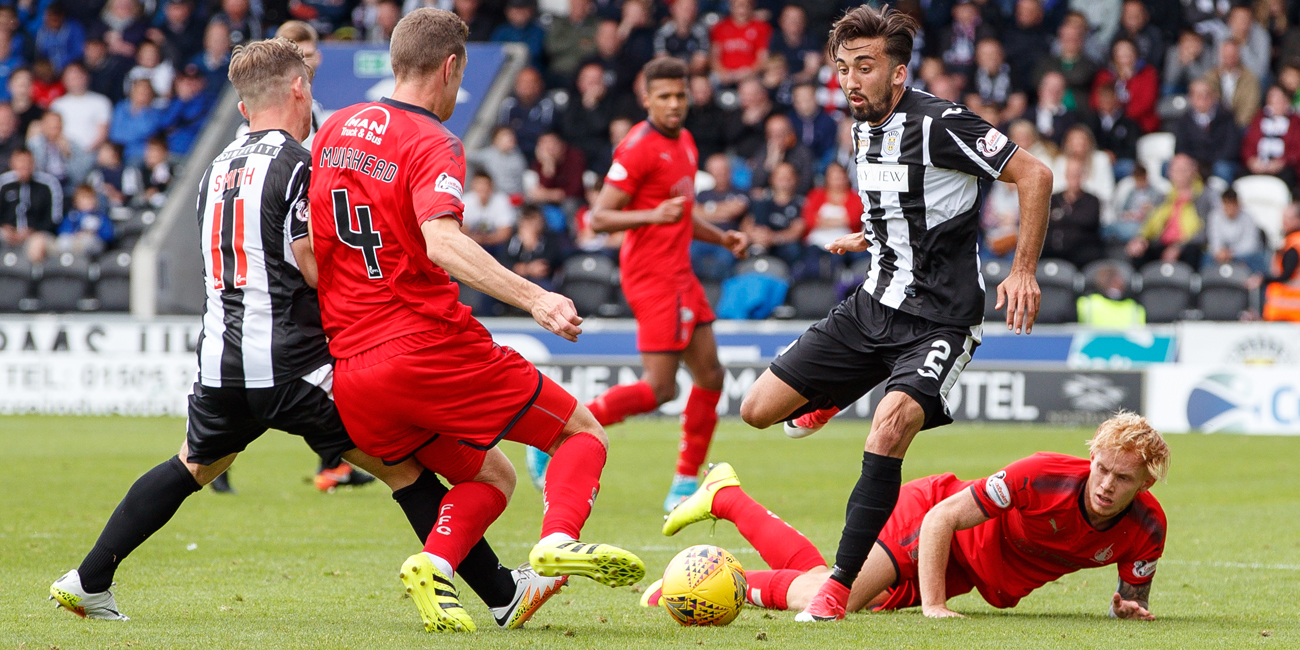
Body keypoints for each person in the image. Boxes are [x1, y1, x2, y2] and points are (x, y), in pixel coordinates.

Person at [48, 38, 565, 632]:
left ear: (244, 107)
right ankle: (503, 594)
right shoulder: (299, 162)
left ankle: (87, 580)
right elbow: (312, 261)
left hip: (221, 358)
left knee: (196, 464)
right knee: (405, 468)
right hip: (292, 364)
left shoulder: (214, 166)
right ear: (299, 90)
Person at [310, 10, 645, 633]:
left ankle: (436, 561)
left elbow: (308, 247)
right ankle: (559, 541)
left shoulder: (335, 129)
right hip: (424, 348)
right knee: (581, 434)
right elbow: (441, 243)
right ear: (451, 67)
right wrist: (537, 297)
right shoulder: (433, 141)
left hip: (353, 371)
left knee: (493, 472)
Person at [737, 6, 1053, 623]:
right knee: (755, 411)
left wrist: (1023, 269)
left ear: (899, 73)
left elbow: (1035, 174)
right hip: (872, 304)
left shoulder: (941, 122)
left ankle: (837, 586)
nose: (852, 81)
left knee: (889, 426)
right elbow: (906, 197)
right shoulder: (861, 125)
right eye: (843, 69)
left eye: (865, 67)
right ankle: (834, 393)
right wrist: (872, 236)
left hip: (941, 321)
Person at [646, 413, 1169, 621]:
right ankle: (690, 586)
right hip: (929, 519)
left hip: (970, 570)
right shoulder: (1040, 475)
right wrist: (934, 607)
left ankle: (727, 498)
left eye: (1122, 479)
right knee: (831, 601)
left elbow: (1132, 601)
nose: (1105, 484)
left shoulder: (1148, 528)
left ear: (1144, 483)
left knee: (836, 587)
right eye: (1101, 468)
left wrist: (1125, 608)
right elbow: (942, 517)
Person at [571, 57, 748, 512]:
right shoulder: (637, 148)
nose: (674, 104)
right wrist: (651, 215)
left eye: (680, 95)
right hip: (650, 276)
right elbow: (600, 218)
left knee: (711, 375)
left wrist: (721, 237)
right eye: (665, 96)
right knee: (660, 389)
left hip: (680, 274)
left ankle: (685, 483)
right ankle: (562, 427)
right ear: (646, 98)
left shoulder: (685, 142)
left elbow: (683, 212)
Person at [1126, 154, 1209, 268]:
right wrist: (1140, 238)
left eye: (1184, 169)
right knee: (1138, 249)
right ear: (1169, 172)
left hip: (1188, 245)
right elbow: (1149, 224)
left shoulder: (1203, 198)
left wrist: (1179, 247)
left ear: (1193, 171)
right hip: (1162, 243)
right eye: (1176, 170)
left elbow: (1204, 231)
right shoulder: (1163, 197)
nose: (1180, 174)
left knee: (1192, 251)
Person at [692, 153, 750, 281]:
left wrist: (707, 211)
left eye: (723, 169)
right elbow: (694, 214)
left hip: (727, 239)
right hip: (704, 238)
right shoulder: (703, 194)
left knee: (724, 260)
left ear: (730, 171)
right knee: (688, 254)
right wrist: (723, 210)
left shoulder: (741, 192)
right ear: (710, 173)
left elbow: (734, 211)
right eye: (716, 170)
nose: (720, 174)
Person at [0, 148, 61, 264]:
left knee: (37, 244)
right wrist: (6, 228)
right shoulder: (3, 184)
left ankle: (31, 278)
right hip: (7, 232)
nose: (24, 166)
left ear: (33, 163)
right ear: (12, 164)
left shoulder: (48, 184)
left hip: (37, 233)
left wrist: (32, 230)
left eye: (27, 162)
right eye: (20, 161)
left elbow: (54, 218)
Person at [743, 161, 805, 267]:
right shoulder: (761, 199)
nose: (784, 179)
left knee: (793, 249)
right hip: (758, 242)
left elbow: (797, 230)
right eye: (780, 175)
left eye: (788, 176)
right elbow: (746, 223)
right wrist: (754, 236)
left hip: (781, 243)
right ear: (772, 178)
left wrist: (773, 238)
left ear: (795, 179)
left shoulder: (800, 203)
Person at [710, 0, 770, 86]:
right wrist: (723, 72)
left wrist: (747, 73)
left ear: (751, 7)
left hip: (750, 75)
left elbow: (762, 59)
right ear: (731, 6)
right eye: (738, 6)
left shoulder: (761, 28)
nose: (742, 10)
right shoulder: (720, 27)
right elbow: (714, 57)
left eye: (745, 5)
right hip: (724, 75)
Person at [1206, 188, 1266, 274]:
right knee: (1207, 258)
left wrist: (1232, 253)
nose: (1230, 209)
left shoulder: (1248, 218)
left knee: (1256, 258)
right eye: (1227, 205)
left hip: (1242, 255)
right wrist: (1219, 251)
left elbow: (1251, 244)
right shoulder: (1214, 216)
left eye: (1232, 205)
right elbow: (1214, 239)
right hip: (1222, 254)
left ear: (1238, 204)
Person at [462, 171, 516, 253]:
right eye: (479, 185)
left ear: (491, 186)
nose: (483, 188)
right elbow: (462, 229)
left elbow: (506, 231)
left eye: (485, 185)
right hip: (471, 244)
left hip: (496, 246)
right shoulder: (466, 201)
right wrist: (476, 239)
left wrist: (486, 239)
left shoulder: (501, 200)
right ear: (473, 186)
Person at [1078, 261, 1145, 327]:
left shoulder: (1135, 308)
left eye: (1116, 281)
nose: (1116, 284)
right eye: (1109, 280)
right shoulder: (1085, 304)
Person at [1262, 204, 1300, 321]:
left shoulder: (1294, 244)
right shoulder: (1290, 240)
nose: (1284, 222)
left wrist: (1264, 280)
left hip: (1290, 307)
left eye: (1288, 219)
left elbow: (1287, 274)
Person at [56, 184, 114, 257]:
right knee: (63, 242)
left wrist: (95, 233)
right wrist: (75, 234)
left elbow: (108, 234)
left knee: (87, 242)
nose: (87, 202)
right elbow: (63, 230)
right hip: (75, 239)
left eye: (90, 198)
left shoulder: (100, 216)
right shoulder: (72, 216)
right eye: (84, 199)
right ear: (76, 201)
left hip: (94, 242)